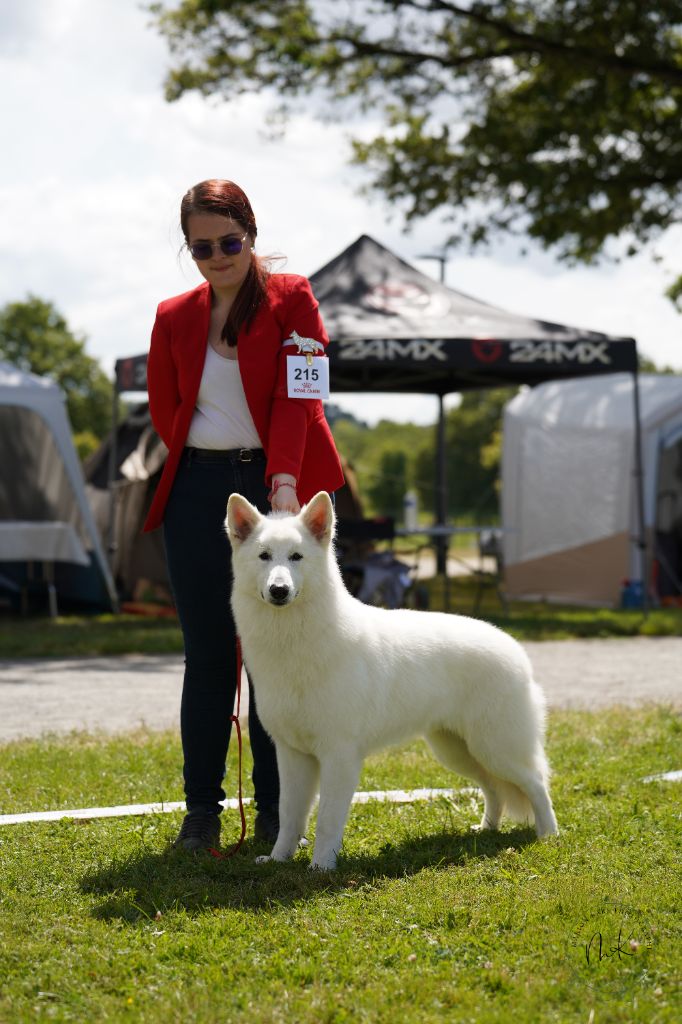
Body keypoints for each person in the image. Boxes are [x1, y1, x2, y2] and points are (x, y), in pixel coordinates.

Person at [144, 179, 344, 851]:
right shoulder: (173, 315)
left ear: (250, 234)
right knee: (207, 658)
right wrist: (206, 465)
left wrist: (281, 474)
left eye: (230, 242)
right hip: (198, 492)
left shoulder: (293, 298)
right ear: (189, 250)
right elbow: (165, 406)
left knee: (271, 661)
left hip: (274, 485)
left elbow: (302, 395)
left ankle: (273, 817)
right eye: (202, 248)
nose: (218, 256)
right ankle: (200, 813)